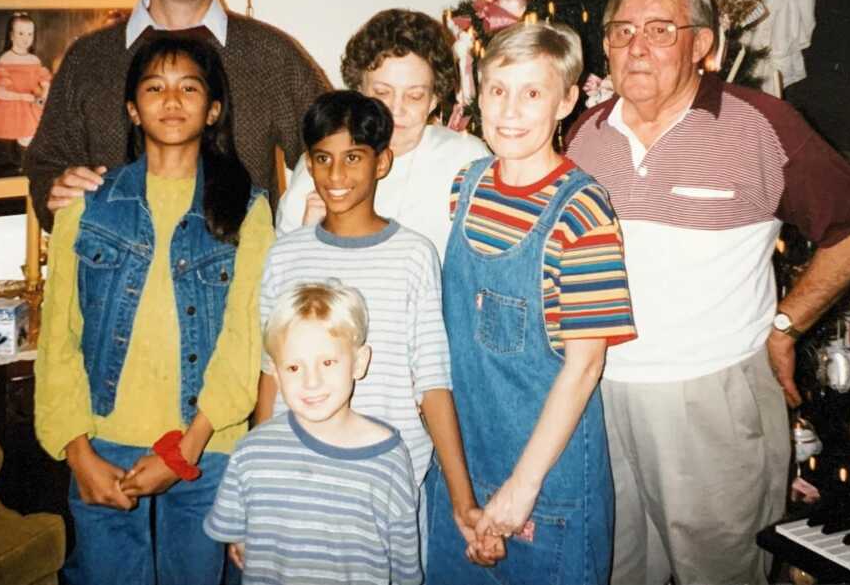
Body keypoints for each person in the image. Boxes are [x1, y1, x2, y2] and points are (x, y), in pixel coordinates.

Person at [566, 0, 850, 585]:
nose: (636, 46)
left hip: (709, 397)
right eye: (622, 30)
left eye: (660, 29)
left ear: (703, 45)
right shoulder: (585, 135)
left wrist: (786, 327)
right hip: (598, 393)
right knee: (615, 568)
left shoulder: (760, 124)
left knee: (719, 571)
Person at [34, 36, 274, 585]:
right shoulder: (85, 204)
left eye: (189, 87)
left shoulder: (248, 210)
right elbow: (59, 340)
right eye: (154, 87)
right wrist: (78, 453)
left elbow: (245, 342)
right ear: (131, 108)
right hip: (102, 447)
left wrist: (183, 452)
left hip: (206, 447)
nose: (172, 99)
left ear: (213, 109)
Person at [427, 22, 637, 585]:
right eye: (498, 90)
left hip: (545, 481)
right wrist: (458, 485)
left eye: (532, 93)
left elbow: (585, 364)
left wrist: (522, 488)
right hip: (461, 470)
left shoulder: (584, 210)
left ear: (566, 100)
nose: (510, 111)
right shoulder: (464, 187)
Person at [257, 90, 500, 568]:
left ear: (381, 162)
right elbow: (270, 375)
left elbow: (432, 380)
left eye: (353, 157)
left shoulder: (412, 255)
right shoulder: (285, 254)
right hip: (297, 482)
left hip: (386, 485)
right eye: (323, 159)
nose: (337, 175)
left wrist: (460, 498)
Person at [25, 0, 329, 231]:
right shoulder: (88, 58)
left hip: (242, 281)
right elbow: (46, 164)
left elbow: (337, 150)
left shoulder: (270, 55)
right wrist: (56, 190)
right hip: (115, 281)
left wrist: (301, 237)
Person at [205, 280, 422, 585]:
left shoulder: (389, 458)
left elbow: (405, 568)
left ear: (359, 363)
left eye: (328, 362)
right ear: (276, 373)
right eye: (294, 368)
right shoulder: (251, 452)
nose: (311, 382)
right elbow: (237, 539)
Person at [276, 8, 488, 260]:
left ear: (434, 100)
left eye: (415, 95)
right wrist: (308, 236)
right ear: (358, 90)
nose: (395, 110)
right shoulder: (323, 163)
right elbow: (280, 275)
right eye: (382, 93)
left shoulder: (467, 160)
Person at [0, 12, 51, 165]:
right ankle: (16, 166)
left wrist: (44, 93)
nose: (26, 38)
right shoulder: (6, 59)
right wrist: (23, 97)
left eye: (30, 34)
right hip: (12, 108)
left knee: (32, 138)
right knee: (17, 139)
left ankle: (26, 166)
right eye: (21, 33)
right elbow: (0, 93)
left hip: (32, 106)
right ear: (11, 35)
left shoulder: (34, 59)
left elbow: (44, 83)